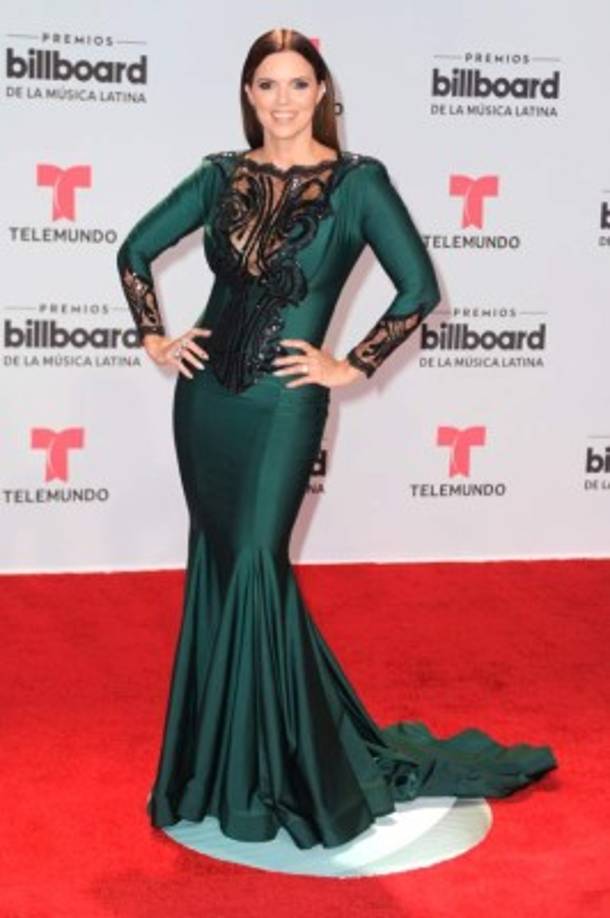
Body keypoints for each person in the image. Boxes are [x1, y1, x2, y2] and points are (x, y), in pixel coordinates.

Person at [116, 27, 557, 850]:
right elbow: (135, 250)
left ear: (322, 91)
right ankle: (220, 770)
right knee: (220, 567)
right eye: (265, 87)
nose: (281, 101)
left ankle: (262, 778)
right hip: (206, 401)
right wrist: (156, 337)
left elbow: (418, 287)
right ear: (248, 97)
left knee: (254, 561)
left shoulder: (358, 185)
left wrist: (350, 364)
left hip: (284, 406)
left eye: (295, 84)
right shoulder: (221, 176)